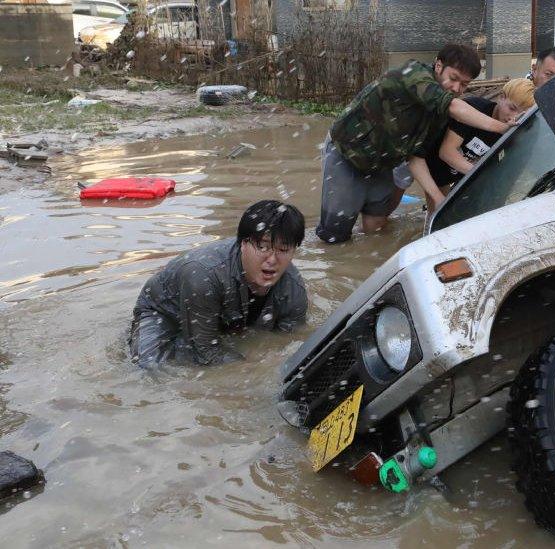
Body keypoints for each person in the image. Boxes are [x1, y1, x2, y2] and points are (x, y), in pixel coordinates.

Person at [316, 44, 516, 244]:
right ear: (438, 66)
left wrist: (438, 199)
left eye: (464, 84)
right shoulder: (413, 73)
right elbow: (453, 106)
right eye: (453, 78)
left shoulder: (438, 114)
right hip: (347, 152)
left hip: (383, 162)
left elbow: (416, 158)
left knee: (376, 225)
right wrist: (501, 127)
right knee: (334, 236)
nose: (456, 88)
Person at [129, 200, 308, 368]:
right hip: (165, 313)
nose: (272, 259)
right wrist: (253, 366)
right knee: (148, 366)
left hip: (227, 315)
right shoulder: (202, 274)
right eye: (262, 247)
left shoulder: (293, 287)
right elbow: (206, 353)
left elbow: (291, 340)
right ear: (243, 244)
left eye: (283, 249)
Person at [412, 78, 535, 209]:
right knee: (431, 209)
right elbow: (447, 152)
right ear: (501, 97)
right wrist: (481, 174)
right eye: (512, 108)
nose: (513, 117)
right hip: (429, 161)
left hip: (460, 171)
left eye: (521, 114)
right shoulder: (474, 109)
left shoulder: (517, 130)